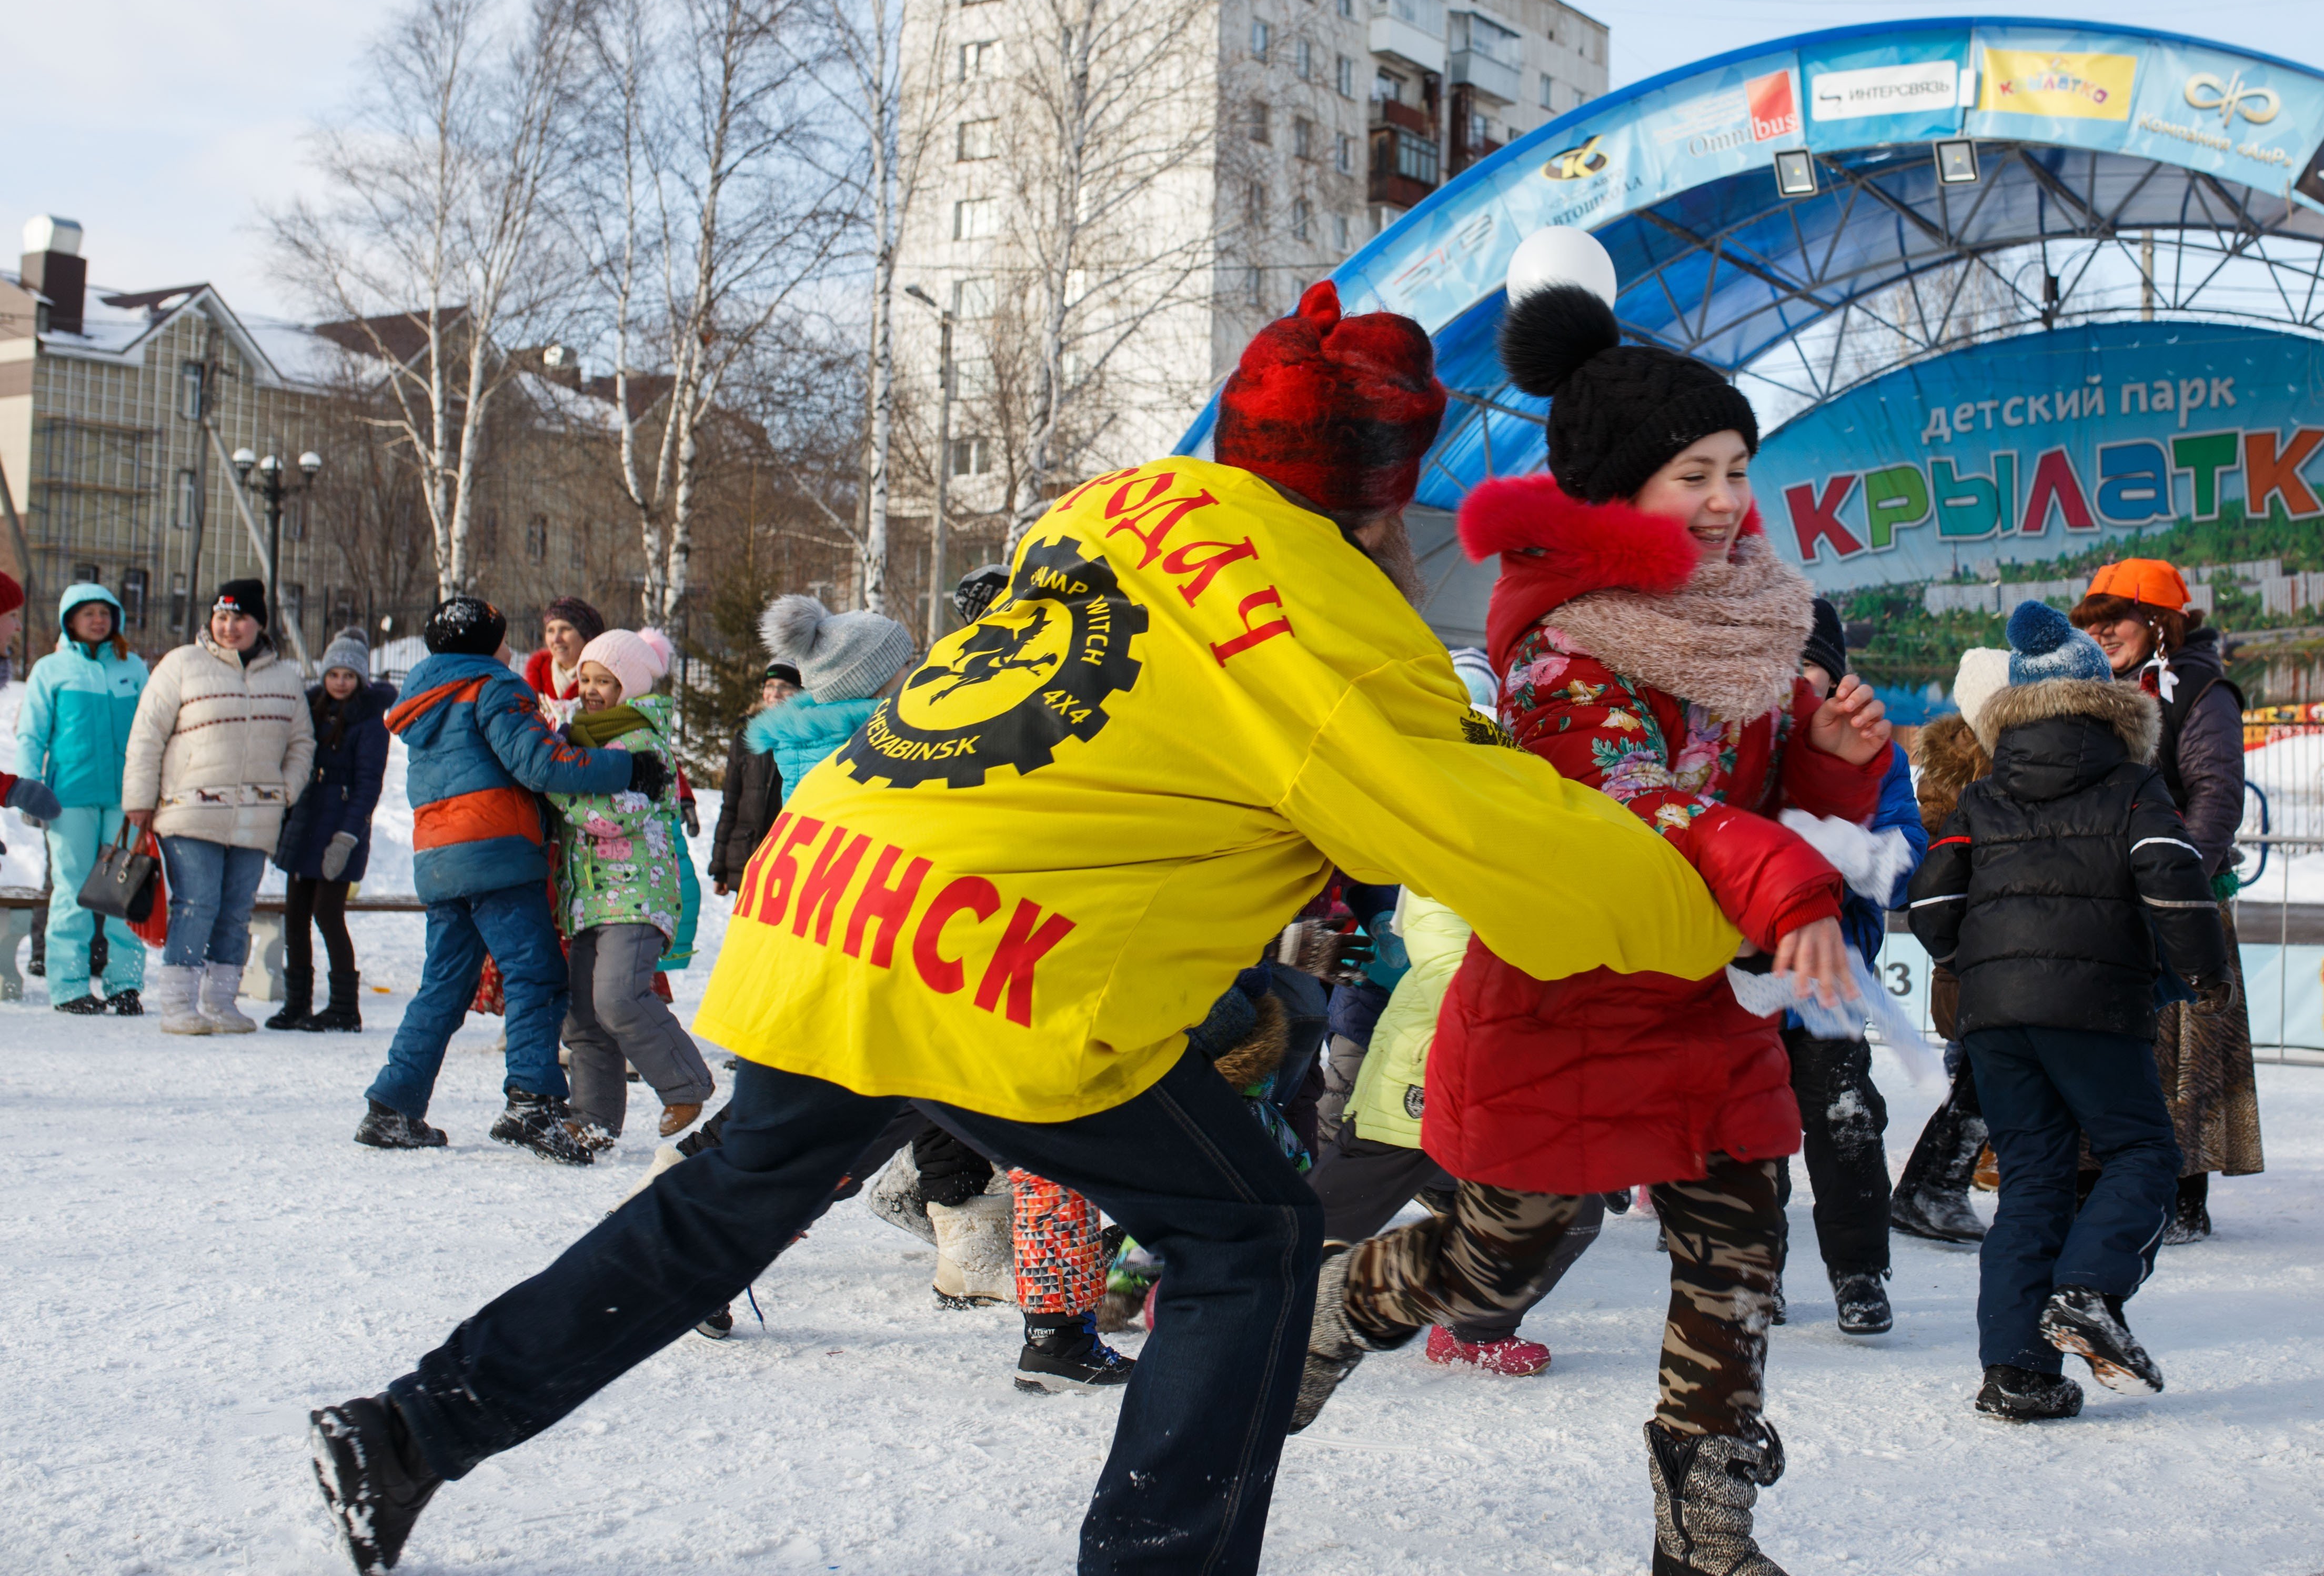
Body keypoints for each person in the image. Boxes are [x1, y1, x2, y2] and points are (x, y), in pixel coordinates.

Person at [306, 278, 1769, 1576]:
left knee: (719, 1210)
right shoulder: (1321, 613)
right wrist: (1716, 901)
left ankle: (411, 1432)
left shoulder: (1118, 510)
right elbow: (1476, 829)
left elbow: (1112, 765)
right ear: (1380, 496)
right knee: (1251, 1234)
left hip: (843, 907)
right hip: (994, 961)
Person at [1313, 257, 1891, 1576]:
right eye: (1692, 475)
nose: (1725, 501)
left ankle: (1706, 1533)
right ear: (1614, 487)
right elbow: (1638, 805)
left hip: (1701, 1007)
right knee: (1485, 1269)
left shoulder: (1746, 625)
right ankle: (1334, 1313)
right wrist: (1786, 885)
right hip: (1568, 1003)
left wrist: (1836, 760)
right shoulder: (1566, 647)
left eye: (1736, 470)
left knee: (1739, 1262)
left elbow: (1755, 790)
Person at [1906, 601, 2232, 1423]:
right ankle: (2089, 1291)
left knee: (2032, 1184)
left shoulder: (1983, 797)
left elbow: (1933, 905)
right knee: (2142, 1154)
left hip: (1998, 1020)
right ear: (2105, 703)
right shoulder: (2130, 787)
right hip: (2095, 1006)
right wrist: (2203, 974)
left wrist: (1977, 966)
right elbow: (2172, 878)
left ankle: (2017, 1372)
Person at [356, 597, 666, 1162]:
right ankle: (533, 1104)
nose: (511, 648)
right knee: (539, 977)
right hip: (496, 851)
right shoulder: (493, 687)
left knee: (444, 987)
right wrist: (629, 768)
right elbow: (541, 764)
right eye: (502, 638)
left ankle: (392, 1107)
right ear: (484, 645)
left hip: (439, 856)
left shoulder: (424, 698)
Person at [1306, 884, 1600, 1379]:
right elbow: (1454, 976)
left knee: (1572, 1213)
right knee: (1320, 1223)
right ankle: (1216, 1303)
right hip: (1419, 1088)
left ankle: (1474, 1333)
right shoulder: (1443, 878)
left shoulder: (1560, 871)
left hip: (1513, 1092)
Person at [2069, 557, 2259, 1242]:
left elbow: (2216, 796)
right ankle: (2094, 1184)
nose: (2101, 634)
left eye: (2112, 619)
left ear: (2157, 622)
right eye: (2090, 623)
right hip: (2102, 904)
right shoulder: (2088, 688)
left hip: (2176, 904)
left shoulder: (2201, 691)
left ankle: (2183, 1197)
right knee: (2103, 1051)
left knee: (2184, 1055)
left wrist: (2175, 889)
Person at [1788, 595, 1926, 1334]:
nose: (1798, 686)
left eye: (1809, 668)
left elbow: (1906, 856)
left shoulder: (1877, 751)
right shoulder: (1744, 746)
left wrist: (1864, 854)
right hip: (1738, 974)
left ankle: (1860, 1275)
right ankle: (1754, 1272)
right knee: (1747, 1132)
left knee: (1845, 1123)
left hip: (1828, 979)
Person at [122, 579, 315, 1037]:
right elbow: (148, 734)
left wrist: (286, 790)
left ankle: (222, 1003)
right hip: (189, 810)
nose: (229, 626)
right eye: (221, 616)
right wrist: (138, 800)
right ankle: (178, 1004)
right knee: (197, 903)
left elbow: (302, 742)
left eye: (240, 617)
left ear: (260, 624)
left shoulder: (285, 679)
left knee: (236, 909)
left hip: (257, 814)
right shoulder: (182, 664)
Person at [549, 627, 712, 1144]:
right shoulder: (581, 738)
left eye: (606, 681)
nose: (592, 690)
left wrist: (557, 789)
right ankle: (593, 1120)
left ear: (631, 688)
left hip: (638, 893)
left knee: (619, 998)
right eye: (586, 679)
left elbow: (617, 815)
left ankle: (685, 1083)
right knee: (584, 1017)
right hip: (590, 897)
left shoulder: (642, 741)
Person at [1889, 687, 1998, 1242]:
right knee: (1978, 1076)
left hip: (2000, 953)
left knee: (1986, 1076)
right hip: (1976, 956)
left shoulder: (2010, 764)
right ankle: (1934, 1186)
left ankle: (1942, 1184)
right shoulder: (1958, 774)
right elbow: (1934, 876)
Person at [17, 581, 138, 1015]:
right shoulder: (51, 669)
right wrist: (31, 788)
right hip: (68, 797)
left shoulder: (134, 668)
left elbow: (153, 732)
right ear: (70, 620)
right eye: (87, 613)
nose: (98, 620)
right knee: (72, 891)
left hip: (127, 799)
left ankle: (126, 984)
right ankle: (69, 986)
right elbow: (31, 735)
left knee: (126, 890)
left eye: (105, 613)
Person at [267, 629, 394, 1032]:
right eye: (334, 674)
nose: (340, 682)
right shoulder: (310, 710)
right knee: (296, 916)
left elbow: (368, 785)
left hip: (340, 830)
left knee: (328, 914)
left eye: (349, 676)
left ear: (361, 680)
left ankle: (344, 1007)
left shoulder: (370, 724)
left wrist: (348, 836)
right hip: (305, 824)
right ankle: (297, 1003)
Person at [745, 598, 912, 787]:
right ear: (872, 685)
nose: (913, 669)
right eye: (905, 663)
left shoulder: (817, 745)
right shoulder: (872, 750)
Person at [707, 661, 801, 896]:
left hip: (790, 861)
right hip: (746, 858)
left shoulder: (808, 738)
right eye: (770, 686)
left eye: (785, 686)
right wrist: (720, 867)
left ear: (802, 693)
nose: (775, 694)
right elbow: (730, 805)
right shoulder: (746, 738)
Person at [522, 596, 605, 709]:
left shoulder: (606, 684)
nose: (556, 639)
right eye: (551, 630)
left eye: (565, 629)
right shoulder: (532, 686)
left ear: (587, 636)